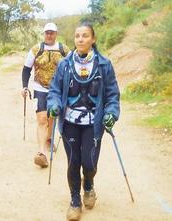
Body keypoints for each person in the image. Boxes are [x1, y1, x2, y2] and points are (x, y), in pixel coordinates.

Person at [47, 23, 120, 220]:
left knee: (89, 163)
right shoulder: (64, 64)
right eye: (77, 35)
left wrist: (111, 113)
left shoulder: (104, 65)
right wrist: (54, 104)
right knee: (73, 162)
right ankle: (75, 201)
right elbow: (54, 90)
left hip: (93, 123)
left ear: (93, 39)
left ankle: (88, 185)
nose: (80, 39)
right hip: (69, 122)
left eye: (85, 36)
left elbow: (112, 94)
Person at [21, 22, 70, 168]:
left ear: (56, 34)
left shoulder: (64, 50)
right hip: (39, 88)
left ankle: (49, 138)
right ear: (44, 34)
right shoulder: (36, 49)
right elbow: (26, 69)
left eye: (52, 33)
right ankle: (41, 153)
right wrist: (25, 86)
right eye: (47, 33)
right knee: (42, 119)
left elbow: (72, 67)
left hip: (58, 89)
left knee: (51, 117)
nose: (49, 35)